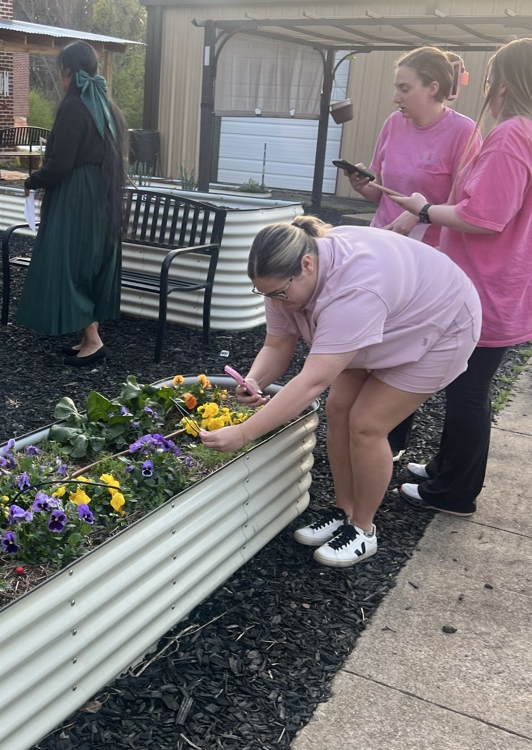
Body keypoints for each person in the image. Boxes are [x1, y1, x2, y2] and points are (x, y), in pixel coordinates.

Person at [200, 217, 481, 568]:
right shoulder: (284, 280)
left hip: (440, 324)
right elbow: (277, 345)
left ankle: (363, 530)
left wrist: (244, 432)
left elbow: (313, 380)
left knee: (366, 424)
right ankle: (343, 510)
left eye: (279, 293)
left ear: (306, 264)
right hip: (388, 312)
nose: (276, 302)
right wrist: (254, 380)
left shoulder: (355, 290)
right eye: (265, 294)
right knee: (339, 410)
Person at [389, 37, 532, 518]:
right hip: (502, 282)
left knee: (469, 392)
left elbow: (486, 216)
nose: (488, 88)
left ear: (506, 82)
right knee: (465, 385)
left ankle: (454, 493)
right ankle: (445, 469)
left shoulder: (513, 133)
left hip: (486, 287)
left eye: (491, 78)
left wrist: (424, 210)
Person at [347, 46, 481, 459]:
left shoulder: (465, 133)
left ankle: (390, 439)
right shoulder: (393, 123)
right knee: (375, 336)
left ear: (433, 87)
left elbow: (467, 205)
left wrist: (420, 218)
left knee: (407, 345)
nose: (396, 96)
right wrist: (361, 184)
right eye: (396, 87)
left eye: (404, 88)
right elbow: (379, 188)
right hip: (384, 246)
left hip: (428, 261)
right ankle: (369, 431)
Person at [16, 41, 125, 367]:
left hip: (76, 196)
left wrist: (32, 181)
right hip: (103, 195)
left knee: (70, 265)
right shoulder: (109, 108)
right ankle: (86, 337)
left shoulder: (75, 107)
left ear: (67, 71)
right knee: (89, 263)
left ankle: (93, 341)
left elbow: (60, 164)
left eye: (60, 71)